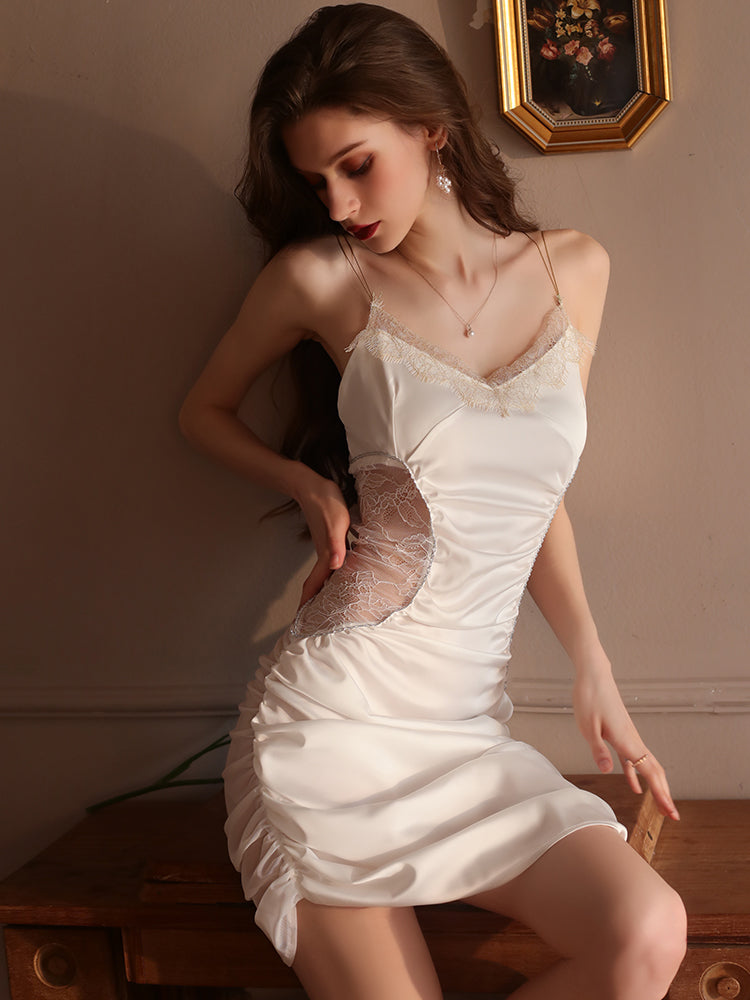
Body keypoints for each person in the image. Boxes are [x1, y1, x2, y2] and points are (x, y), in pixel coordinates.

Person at [179, 5, 687, 998]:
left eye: (356, 164)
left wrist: (595, 667)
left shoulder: (572, 270)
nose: (337, 201)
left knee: (646, 931)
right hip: (327, 728)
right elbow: (201, 410)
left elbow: (535, 496)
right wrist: (305, 481)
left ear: (431, 128)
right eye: (315, 179)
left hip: (461, 734)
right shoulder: (322, 278)